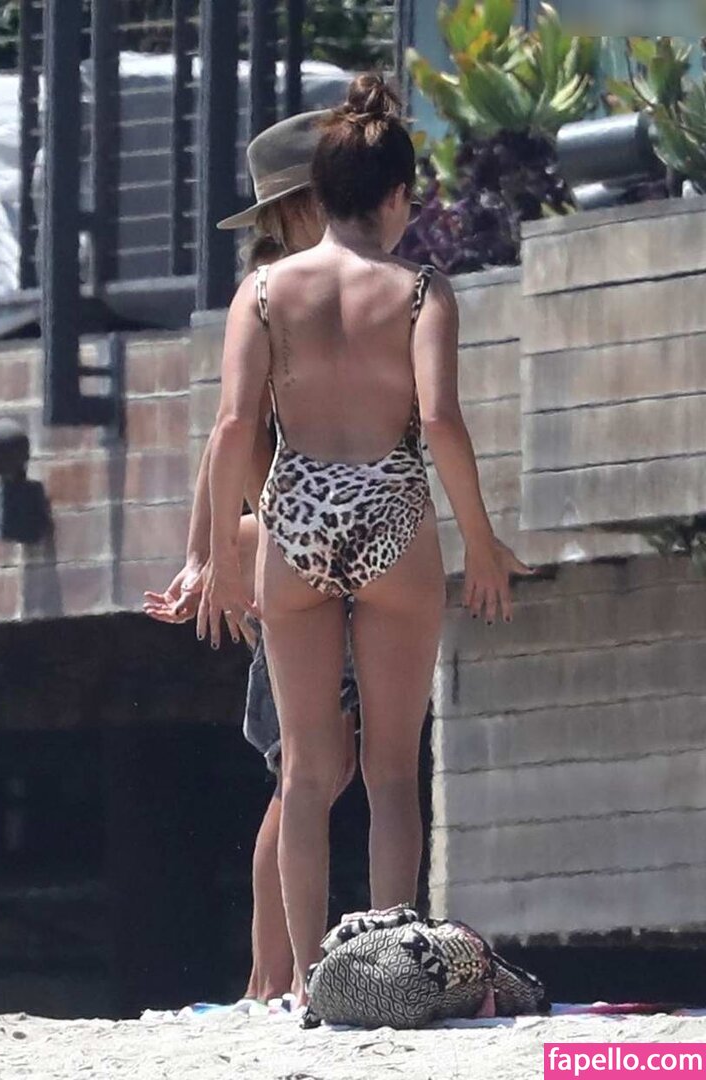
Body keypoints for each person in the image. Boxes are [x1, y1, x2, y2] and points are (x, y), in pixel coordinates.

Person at [197, 73, 533, 1008]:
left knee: (306, 773)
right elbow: (443, 420)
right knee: (390, 772)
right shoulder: (422, 290)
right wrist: (482, 543)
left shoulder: (263, 291)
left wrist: (221, 560)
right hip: (390, 507)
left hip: (297, 511)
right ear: (397, 197)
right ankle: (386, 974)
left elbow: (233, 429)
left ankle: (311, 985)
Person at [143, 110, 360, 1007]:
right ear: (307, 204)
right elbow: (226, 438)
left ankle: (268, 975)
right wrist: (208, 555)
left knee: (311, 773)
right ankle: (270, 976)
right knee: (307, 773)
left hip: (306, 552)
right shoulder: (281, 294)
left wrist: (211, 552)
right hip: (291, 554)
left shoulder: (297, 288)